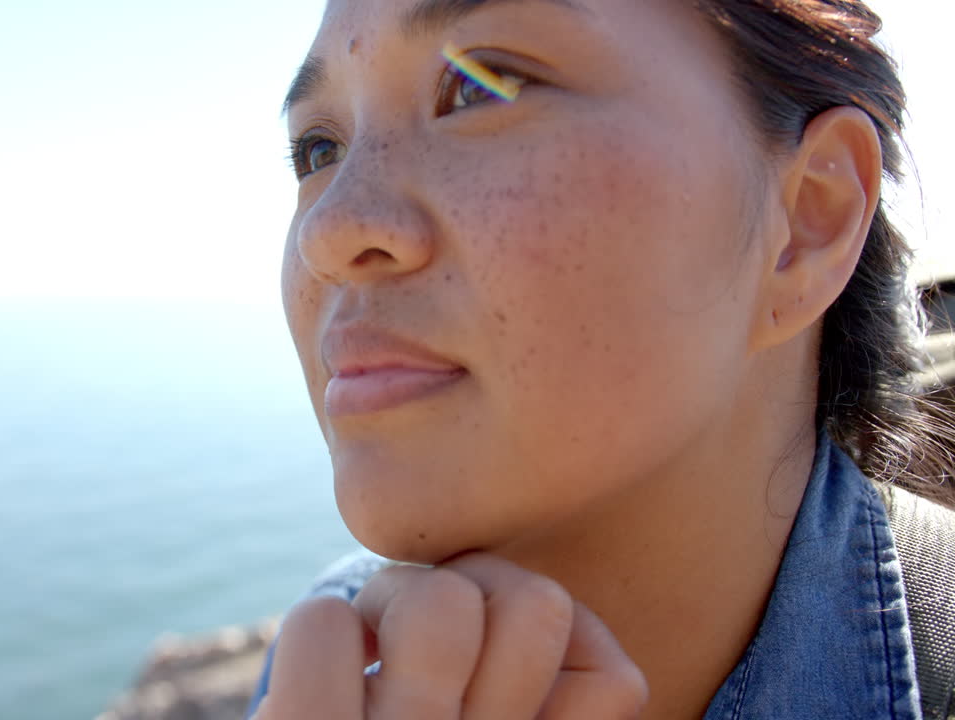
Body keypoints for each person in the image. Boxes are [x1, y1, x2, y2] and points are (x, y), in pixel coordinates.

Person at [248, 0, 955, 717]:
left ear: (810, 218)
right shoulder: (335, 661)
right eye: (317, 149)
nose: (329, 230)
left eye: (483, 86)